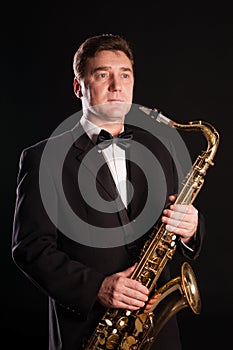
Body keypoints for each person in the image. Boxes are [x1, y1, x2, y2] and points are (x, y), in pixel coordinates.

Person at [12, 33, 205, 350]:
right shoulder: (42, 158)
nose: (117, 86)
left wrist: (191, 228)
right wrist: (97, 288)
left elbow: (178, 220)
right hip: (89, 331)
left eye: (125, 75)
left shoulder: (162, 148)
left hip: (157, 330)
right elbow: (30, 248)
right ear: (79, 87)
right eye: (103, 74)